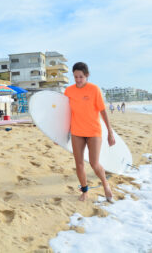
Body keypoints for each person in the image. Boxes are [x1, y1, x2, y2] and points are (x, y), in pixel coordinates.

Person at [64, 62, 115, 202]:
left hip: (93, 131)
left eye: (81, 76)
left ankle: (105, 184)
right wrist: (59, 134)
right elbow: (64, 113)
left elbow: (103, 111)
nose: (78, 80)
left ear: (86, 75)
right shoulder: (69, 91)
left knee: (94, 163)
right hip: (77, 131)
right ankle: (85, 191)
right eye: (75, 77)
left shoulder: (94, 90)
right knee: (79, 163)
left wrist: (110, 132)